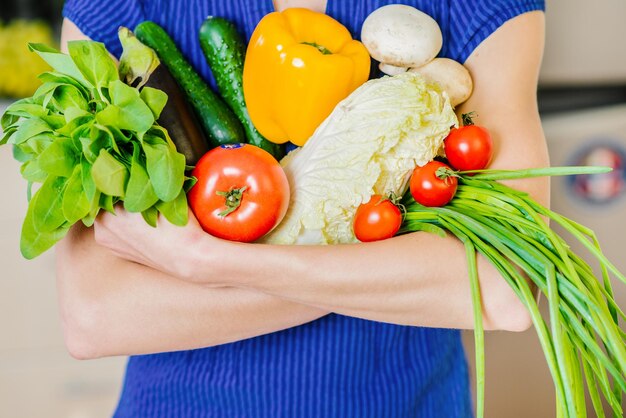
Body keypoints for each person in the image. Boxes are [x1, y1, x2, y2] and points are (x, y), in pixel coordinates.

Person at [58, 0, 548, 416]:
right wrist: (405, 273)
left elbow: (503, 287)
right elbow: (92, 315)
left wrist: (206, 263)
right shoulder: (124, 9)